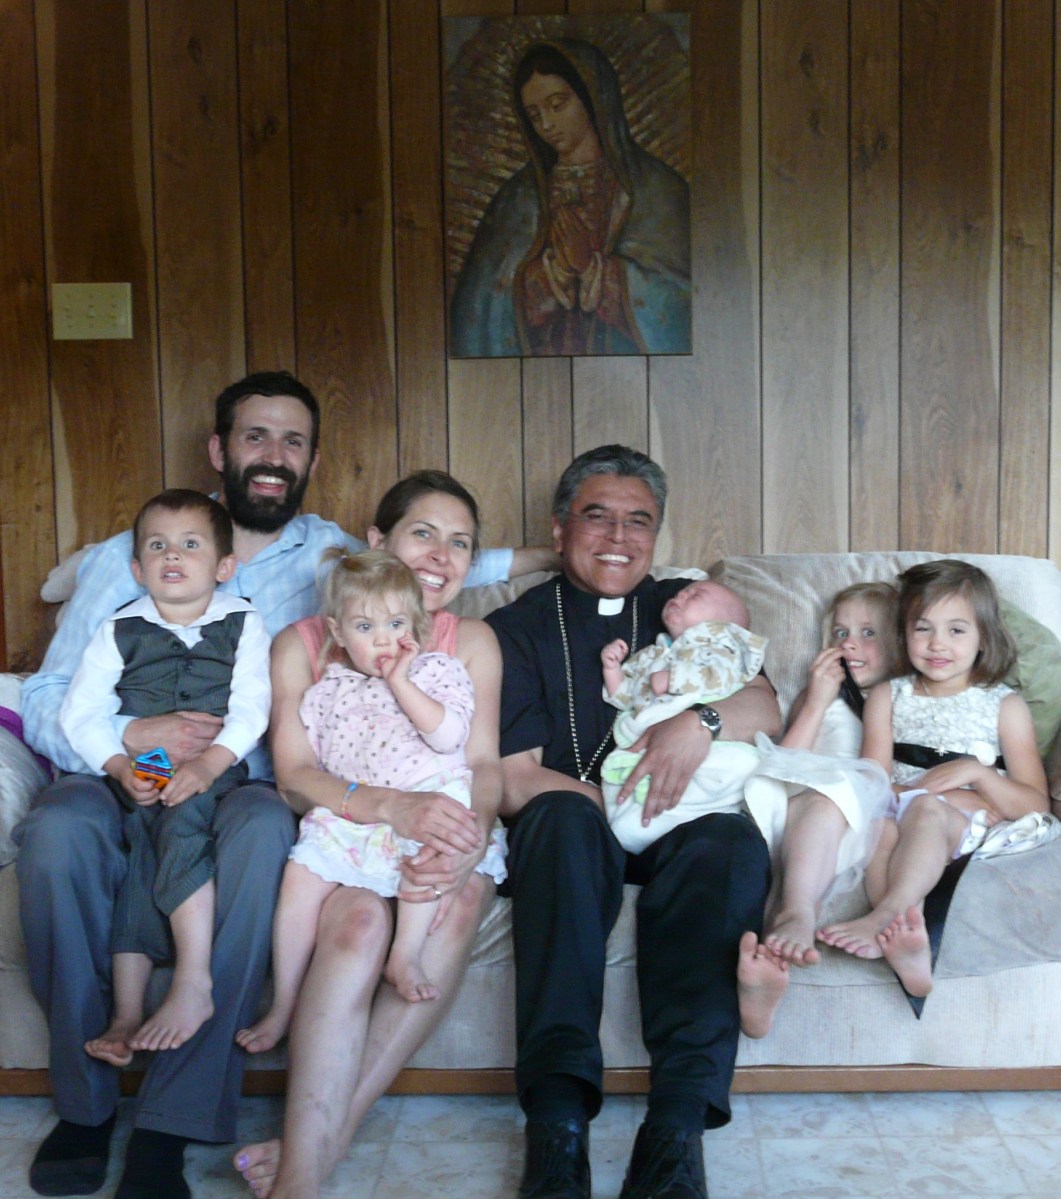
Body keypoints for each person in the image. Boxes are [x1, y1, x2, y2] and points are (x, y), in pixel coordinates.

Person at [15, 372, 544, 1199]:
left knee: (263, 834)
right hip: (115, 770)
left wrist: (554, 554)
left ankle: (170, 1124)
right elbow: (49, 697)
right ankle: (85, 1108)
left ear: (311, 461)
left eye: (292, 441)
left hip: (246, 784)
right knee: (55, 835)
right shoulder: (136, 552)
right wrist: (133, 742)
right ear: (219, 449)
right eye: (254, 436)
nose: (273, 455)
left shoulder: (330, 556)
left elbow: (430, 566)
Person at [484, 445, 781, 1199]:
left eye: (638, 520)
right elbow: (514, 777)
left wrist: (700, 723)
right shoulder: (515, 626)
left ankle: (674, 1134)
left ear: (656, 534)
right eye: (597, 516)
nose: (618, 536)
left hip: (679, 819)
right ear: (560, 530)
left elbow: (764, 706)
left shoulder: (689, 605)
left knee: (728, 841)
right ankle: (556, 1130)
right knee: (557, 820)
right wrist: (607, 812)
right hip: (576, 821)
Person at [233, 470, 505, 1199]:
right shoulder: (303, 642)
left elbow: (481, 762)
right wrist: (388, 807)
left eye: (460, 543)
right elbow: (294, 773)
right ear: (378, 541)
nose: (442, 556)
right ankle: (308, 1158)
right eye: (424, 534)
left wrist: (470, 837)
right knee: (355, 927)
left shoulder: (472, 640)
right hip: (349, 820)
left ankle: (313, 1152)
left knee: (458, 898)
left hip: (439, 816)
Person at [237, 548, 504, 1055]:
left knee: (434, 843)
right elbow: (305, 767)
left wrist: (401, 683)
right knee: (301, 875)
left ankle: (405, 954)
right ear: (337, 633)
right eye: (365, 627)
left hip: (425, 799)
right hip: (358, 811)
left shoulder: (435, 672)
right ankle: (284, 1003)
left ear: (417, 625)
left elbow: (450, 737)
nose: (383, 639)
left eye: (396, 624)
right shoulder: (328, 689)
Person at [60, 490, 270, 1071]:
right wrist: (119, 766)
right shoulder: (120, 628)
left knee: (182, 819)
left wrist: (209, 765)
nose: (171, 555)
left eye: (190, 544)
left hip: (217, 760)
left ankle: (194, 980)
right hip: (148, 758)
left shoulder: (243, 622)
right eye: (157, 546)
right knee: (141, 841)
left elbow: (254, 707)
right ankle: (126, 1016)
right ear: (137, 568)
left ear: (224, 567)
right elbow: (80, 713)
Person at [818, 560, 1049, 997]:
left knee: (925, 809)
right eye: (922, 628)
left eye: (956, 630)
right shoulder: (888, 696)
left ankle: (885, 915)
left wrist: (977, 774)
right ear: (903, 633)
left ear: (984, 637)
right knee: (881, 827)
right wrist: (909, 792)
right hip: (902, 809)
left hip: (972, 822)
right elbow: (873, 779)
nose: (937, 643)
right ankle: (908, 946)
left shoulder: (1004, 705)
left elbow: (1035, 803)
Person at [450, 38, 690, 357]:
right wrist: (554, 273)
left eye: (557, 104)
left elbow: (686, 303)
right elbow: (480, 308)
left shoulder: (657, 189)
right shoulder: (517, 199)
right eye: (534, 115)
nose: (546, 125)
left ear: (592, 98)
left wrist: (595, 270)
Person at [735, 582, 899, 1034]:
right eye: (841, 633)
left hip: (846, 817)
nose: (850, 643)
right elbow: (785, 760)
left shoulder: (896, 699)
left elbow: (881, 775)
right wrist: (818, 699)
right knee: (817, 802)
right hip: (788, 799)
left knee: (827, 804)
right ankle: (789, 924)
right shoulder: (821, 694)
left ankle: (780, 939)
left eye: (869, 633)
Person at [599, 579, 769, 853]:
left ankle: (701, 808)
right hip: (651, 729)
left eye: (694, 595)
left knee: (737, 764)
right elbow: (629, 697)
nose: (680, 596)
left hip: (709, 735)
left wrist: (675, 678)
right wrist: (613, 671)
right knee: (619, 771)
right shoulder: (652, 654)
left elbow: (721, 676)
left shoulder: (722, 645)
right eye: (680, 593)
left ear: (723, 622)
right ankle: (638, 818)